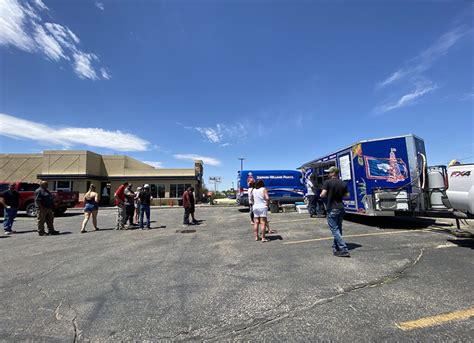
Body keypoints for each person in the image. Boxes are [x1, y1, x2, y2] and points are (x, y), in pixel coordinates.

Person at [320, 166, 350, 257]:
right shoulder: (343, 183)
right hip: (341, 208)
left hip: (332, 208)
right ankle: (336, 246)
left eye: (329, 172)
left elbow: (323, 194)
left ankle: (343, 249)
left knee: (334, 229)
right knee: (338, 228)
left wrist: (324, 195)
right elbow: (347, 195)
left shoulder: (327, 182)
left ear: (333, 173)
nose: (328, 174)